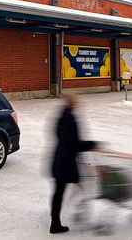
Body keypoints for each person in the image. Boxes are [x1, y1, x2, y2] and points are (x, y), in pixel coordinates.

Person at [50, 94, 98, 234]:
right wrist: (92, 144)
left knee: (59, 192)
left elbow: (61, 138)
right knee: (78, 188)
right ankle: (65, 219)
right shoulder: (70, 120)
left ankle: (56, 222)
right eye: (77, 103)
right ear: (73, 104)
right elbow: (74, 144)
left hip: (60, 159)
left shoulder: (61, 118)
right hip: (66, 163)